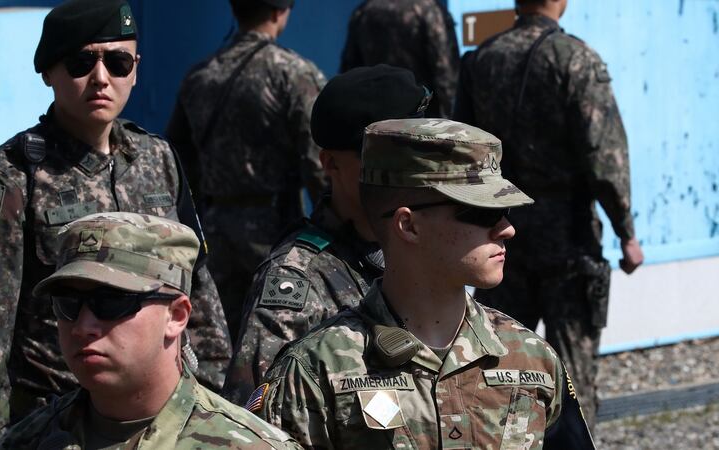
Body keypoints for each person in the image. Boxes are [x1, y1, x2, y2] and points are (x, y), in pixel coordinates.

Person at [0, 1, 231, 448]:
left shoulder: (157, 159)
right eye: (81, 63)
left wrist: (212, 401)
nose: (101, 79)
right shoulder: (9, 178)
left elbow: (198, 290)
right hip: (59, 422)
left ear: (135, 70)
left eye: (117, 63)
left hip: (165, 420)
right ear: (48, 72)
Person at [252, 118, 594, 449]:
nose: (506, 229)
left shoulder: (532, 360)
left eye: (506, 213)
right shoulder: (316, 374)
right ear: (409, 226)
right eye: (481, 213)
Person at [453, 0, 644, 428]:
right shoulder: (575, 58)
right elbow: (605, 157)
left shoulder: (482, 59)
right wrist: (626, 232)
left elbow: (463, 156)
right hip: (567, 236)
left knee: (496, 366)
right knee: (572, 374)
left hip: (500, 232)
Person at [0, 212, 301, 449]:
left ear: (176, 316)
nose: (84, 326)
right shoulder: (26, 441)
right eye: (68, 303)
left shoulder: (249, 444)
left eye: (112, 302)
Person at [222, 65, 432, 405]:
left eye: (416, 152)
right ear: (330, 163)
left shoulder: (429, 244)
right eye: (382, 156)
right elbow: (251, 423)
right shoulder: (298, 280)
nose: (404, 170)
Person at [166, 0, 327, 341]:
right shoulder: (293, 72)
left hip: (213, 232)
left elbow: (178, 163)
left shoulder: (201, 76)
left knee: (219, 338)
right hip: (275, 232)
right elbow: (319, 163)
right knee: (280, 337)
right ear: (278, 12)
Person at [340, 0, 460, 118]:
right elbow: (446, 72)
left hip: (375, 118)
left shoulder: (364, 11)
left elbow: (349, 71)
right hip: (421, 116)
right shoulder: (428, 10)